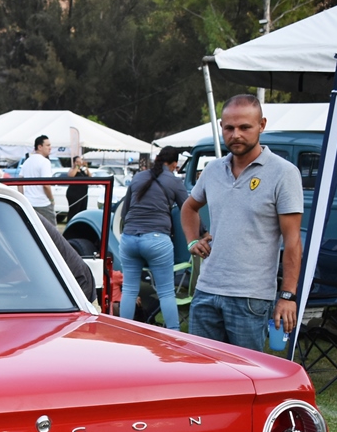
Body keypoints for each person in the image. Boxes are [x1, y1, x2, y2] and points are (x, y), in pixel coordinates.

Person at [181, 94, 304, 352]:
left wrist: (287, 296)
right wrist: (193, 240)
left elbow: (292, 241)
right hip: (206, 290)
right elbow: (189, 207)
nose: (235, 134)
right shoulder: (213, 170)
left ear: (262, 125)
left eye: (244, 127)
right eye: (229, 128)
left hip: (251, 297)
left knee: (247, 377)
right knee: (202, 374)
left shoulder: (283, 173)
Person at [118, 146, 189, 330]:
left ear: (157, 158)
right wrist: (203, 232)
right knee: (166, 292)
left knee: (129, 290)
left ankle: (124, 331)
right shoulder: (173, 181)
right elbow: (189, 210)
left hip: (129, 238)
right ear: (174, 164)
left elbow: (125, 213)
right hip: (157, 239)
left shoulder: (138, 177)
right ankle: (174, 334)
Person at [20, 135, 56, 225]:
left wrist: (22, 197)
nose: (50, 148)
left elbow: (19, 182)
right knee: (53, 234)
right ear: (39, 147)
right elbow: (46, 185)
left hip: (29, 203)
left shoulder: (27, 161)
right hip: (43, 203)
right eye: (47, 145)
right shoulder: (45, 162)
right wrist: (51, 200)